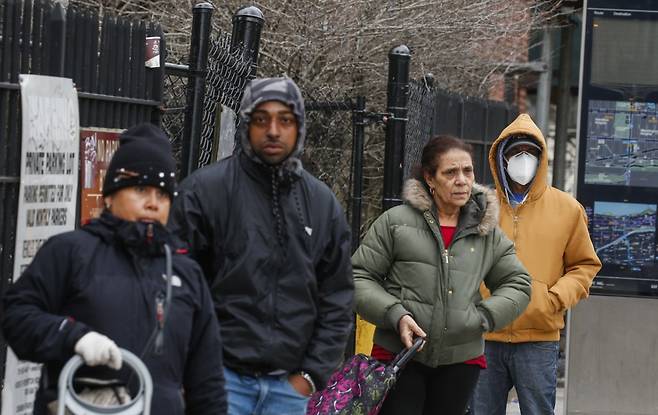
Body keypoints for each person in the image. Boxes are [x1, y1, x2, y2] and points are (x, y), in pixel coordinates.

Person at [2, 123, 227, 415]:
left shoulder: (187, 274)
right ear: (109, 195)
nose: (152, 203)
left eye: (163, 195)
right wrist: (73, 336)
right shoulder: (70, 251)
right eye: (140, 189)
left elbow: (207, 381)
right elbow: (16, 315)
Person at [168, 77, 354, 415]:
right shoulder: (204, 192)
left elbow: (337, 297)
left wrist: (311, 375)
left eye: (285, 120)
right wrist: (185, 368)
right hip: (218, 382)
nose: (272, 130)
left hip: (289, 389)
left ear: (299, 127)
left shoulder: (322, 204)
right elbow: (174, 288)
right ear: (246, 125)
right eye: (261, 119)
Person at [352, 134, 532, 415]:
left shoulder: (485, 231)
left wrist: (482, 317)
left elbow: (518, 283)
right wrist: (396, 314)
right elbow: (358, 276)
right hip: (400, 355)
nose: (462, 180)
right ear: (430, 178)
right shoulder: (396, 222)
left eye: (467, 171)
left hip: (461, 360)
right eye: (450, 172)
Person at [470, 114, 601, 415]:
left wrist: (553, 299)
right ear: (502, 158)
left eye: (531, 153)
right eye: (516, 153)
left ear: (542, 159)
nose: (523, 160)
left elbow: (585, 266)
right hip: (483, 336)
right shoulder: (479, 206)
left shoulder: (567, 209)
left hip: (538, 339)